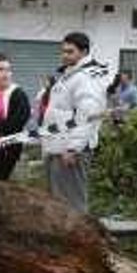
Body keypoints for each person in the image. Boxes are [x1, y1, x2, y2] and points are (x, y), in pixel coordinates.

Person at [41, 32, 113, 213]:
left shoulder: (87, 77)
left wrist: (73, 147)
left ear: (84, 52)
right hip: (58, 147)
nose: (64, 55)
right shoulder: (70, 75)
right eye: (63, 51)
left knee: (72, 203)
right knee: (58, 202)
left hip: (70, 151)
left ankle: (81, 239)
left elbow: (89, 114)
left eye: (70, 52)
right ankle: (63, 238)